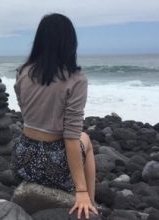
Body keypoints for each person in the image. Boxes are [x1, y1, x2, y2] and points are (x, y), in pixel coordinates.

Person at [12, 13, 98, 219]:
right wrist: (81, 190)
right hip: (51, 164)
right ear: (70, 42)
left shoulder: (23, 71)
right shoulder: (76, 79)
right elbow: (70, 137)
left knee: (77, 137)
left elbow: (25, 111)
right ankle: (90, 203)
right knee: (84, 138)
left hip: (22, 158)